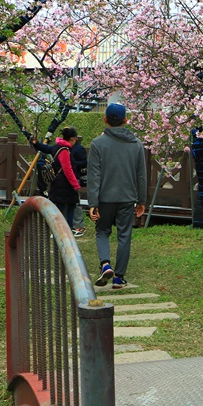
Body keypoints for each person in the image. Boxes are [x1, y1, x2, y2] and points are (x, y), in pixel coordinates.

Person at [88, 103, 146, 289]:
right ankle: (119, 277)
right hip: (127, 198)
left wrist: (93, 202)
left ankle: (105, 264)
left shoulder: (97, 144)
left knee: (102, 231)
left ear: (105, 119)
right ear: (125, 120)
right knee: (124, 235)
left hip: (104, 198)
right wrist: (141, 200)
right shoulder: (136, 144)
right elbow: (141, 175)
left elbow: (94, 175)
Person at [31, 127, 83, 236]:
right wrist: (75, 184)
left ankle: (59, 229)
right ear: (72, 139)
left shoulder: (58, 147)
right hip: (65, 185)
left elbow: (46, 148)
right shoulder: (64, 151)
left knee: (61, 207)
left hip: (58, 184)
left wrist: (36, 144)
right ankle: (65, 230)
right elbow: (67, 169)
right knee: (69, 206)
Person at [70, 135, 88, 236]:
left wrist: (71, 163)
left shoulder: (78, 149)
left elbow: (84, 162)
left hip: (74, 177)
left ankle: (79, 226)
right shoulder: (63, 147)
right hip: (63, 178)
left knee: (76, 202)